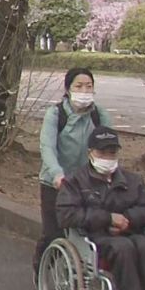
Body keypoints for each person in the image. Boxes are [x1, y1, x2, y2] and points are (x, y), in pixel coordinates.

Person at [56, 127, 145, 290]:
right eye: (102, 153)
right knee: (123, 248)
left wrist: (128, 219)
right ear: (90, 153)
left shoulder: (132, 180)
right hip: (96, 237)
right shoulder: (75, 182)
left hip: (131, 232)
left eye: (112, 153)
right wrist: (108, 218)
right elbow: (67, 214)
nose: (108, 158)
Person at [35, 68, 114, 278]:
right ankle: (42, 269)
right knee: (54, 233)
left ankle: (80, 273)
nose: (84, 90)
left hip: (88, 183)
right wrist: (57, 174)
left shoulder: (99, 115)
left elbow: (109, 146)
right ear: (68, 89)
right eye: (79, 86)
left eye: (89, 86)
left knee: (86, 230)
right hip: (56, 182)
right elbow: (47, 147)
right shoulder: (56, 114)